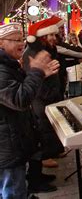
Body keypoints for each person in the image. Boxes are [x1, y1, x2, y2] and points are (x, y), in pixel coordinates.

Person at [0, 23, 59, 198]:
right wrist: (37, 72)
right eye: (15, 40)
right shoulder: (2, 69)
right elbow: (20, 99)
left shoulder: (8, 65)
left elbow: (18, 88)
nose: (21, 43)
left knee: (16, 186)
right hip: (7, 145)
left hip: (12, 139)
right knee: (12, 190)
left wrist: (40, 74)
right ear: (1, 43)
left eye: (22, 39)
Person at [23, 17, 67, 193]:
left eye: (54, 36)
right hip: (40, 102)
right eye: (50, 36)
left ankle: (38, 175)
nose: (53, 39)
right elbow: (31, 76)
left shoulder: (46, 49)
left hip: (47, 99)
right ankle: (34, 182)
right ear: (42, 37)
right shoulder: (34, 53)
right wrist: (44, 74)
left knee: (43, 140)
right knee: (39, 141)